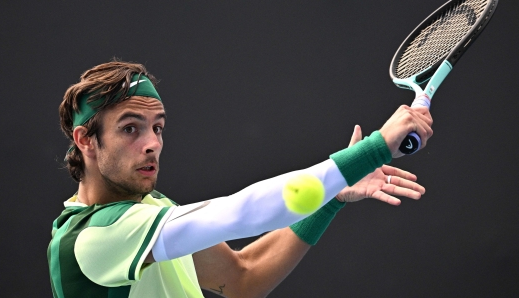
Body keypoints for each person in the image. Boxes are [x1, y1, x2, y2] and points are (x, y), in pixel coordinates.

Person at [48, 61, 433, 298]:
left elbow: (242, 279)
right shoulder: (92, 238)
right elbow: (241, 213)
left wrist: (330, 197)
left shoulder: (152, 211)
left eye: (158, 128)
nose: (153, 144)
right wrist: (373, 149)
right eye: (131, 129)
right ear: (86, 141)